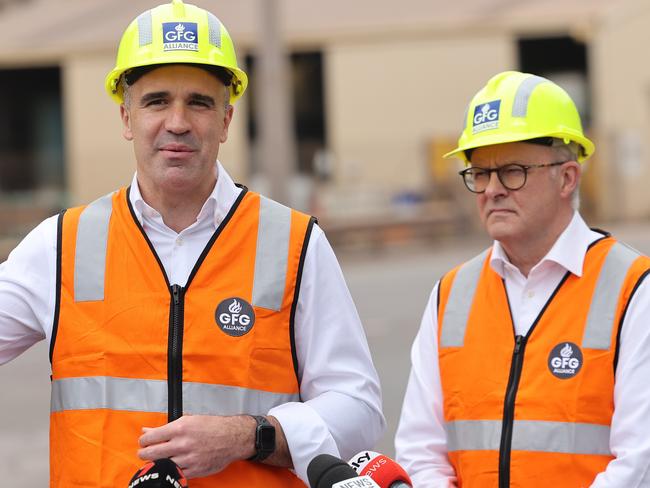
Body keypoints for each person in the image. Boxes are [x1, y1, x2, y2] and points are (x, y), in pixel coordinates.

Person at [0, 1, 384, 486]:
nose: (177, 122)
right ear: (126, 117)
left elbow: (359, 409)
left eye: (199, 103)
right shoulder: (61, 244)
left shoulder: (295, 243)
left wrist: (250, 435)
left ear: (226, 120)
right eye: (157, 101)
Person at [394, 70, 650, 487]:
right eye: (479, 173)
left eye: (512, 171)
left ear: (567, 177)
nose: (492, 189)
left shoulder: (634, 289)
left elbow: (640, 460)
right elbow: (421, 452)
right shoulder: (451, 295)